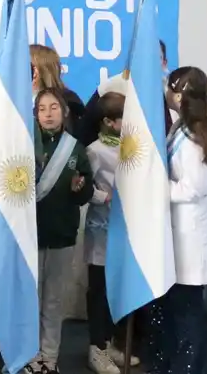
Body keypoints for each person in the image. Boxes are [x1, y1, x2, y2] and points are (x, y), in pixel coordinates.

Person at [155, 67, 207, 374]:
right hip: (187, 234)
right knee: (184, 312)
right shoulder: (189, 126)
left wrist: (155, 188)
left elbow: (194, 188)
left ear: (178, 94)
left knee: (189, 314)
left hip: (193, 237)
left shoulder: (195, 135)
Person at [33, 88, 93, 373]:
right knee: (29, 301)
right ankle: (29, 358)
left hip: (62, 236)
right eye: (42, 108)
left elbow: (87, 191)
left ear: (64, 112)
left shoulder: (75, 148)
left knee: (54, 302)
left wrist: (80, 189)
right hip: (29, 237)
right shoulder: (24, 144)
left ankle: (49, 359)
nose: (48, 113)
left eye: (53, 107)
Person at [85, 92, 126, 374]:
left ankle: (110, 342)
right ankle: (95, 347)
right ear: (109, 122)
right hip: (101, 230)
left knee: (116, 289)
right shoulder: (95, 151)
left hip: (123, 231)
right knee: (99, 289)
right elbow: (85, 189)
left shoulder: (131, 148)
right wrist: (104, 197)